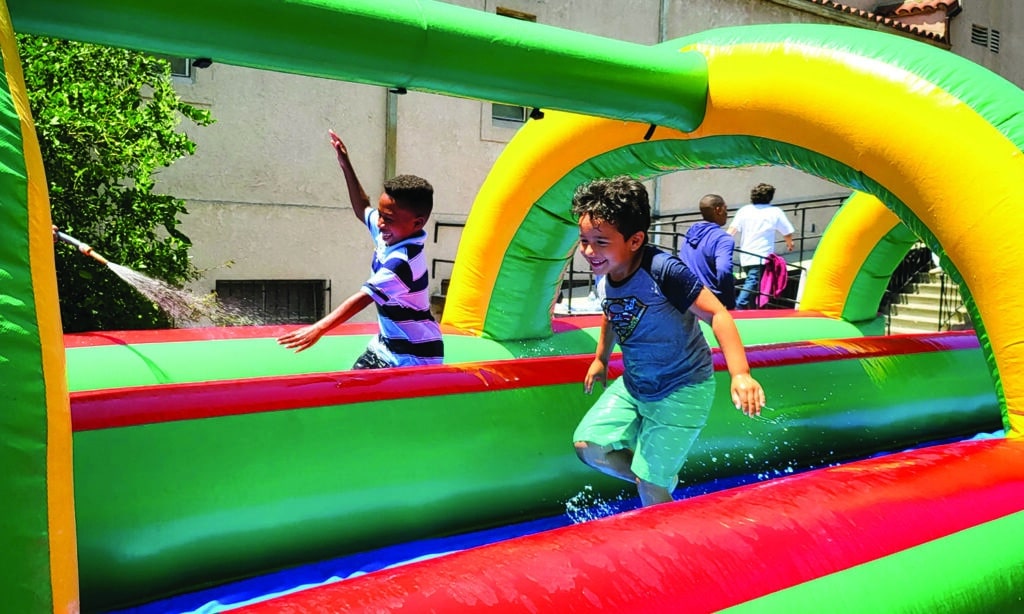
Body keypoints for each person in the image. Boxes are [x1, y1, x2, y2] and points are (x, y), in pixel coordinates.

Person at [571, 176, 766, 507]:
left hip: (683, 388)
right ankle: (650, 477)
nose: (589, 251)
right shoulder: (607, 272)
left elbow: (717, 314)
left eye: (600, 242)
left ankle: (666, 531)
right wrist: (601, 358)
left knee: (651, 486)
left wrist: (741, 373)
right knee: (589, 447)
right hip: (636, 385)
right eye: (584, 240)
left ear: (635, 240)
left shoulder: (663, 270)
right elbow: (611, 311)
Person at [277, 129, 444, 368]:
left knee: (377, 403)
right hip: (386, 345)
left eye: (388, 218)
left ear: (417, 223)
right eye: (381, 215)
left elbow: (364, 298)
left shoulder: (404, 262)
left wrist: (319, 328)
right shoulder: (392, 234)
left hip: (415, 356)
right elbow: (362, 207)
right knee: (346, 391)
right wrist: (345, 164)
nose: (379, 223)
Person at [727, 183, 795, 309]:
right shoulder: (775, 212)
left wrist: (721, 244)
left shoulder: (744, 210)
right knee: (753, 282)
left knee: (755, 285)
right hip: (762, 255)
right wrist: (790, 243)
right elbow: (787, 231)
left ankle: (752, 310)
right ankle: (738, 307)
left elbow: (732, 230)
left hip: (746, 255)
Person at [679, 194, 736, 309]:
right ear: (718, 210)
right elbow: (723, 270)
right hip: (709, 302)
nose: (727, 213)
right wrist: (729, 303)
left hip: (685, 298)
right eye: (726, 208)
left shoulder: (690, 234)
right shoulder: (723, 239)